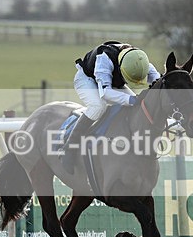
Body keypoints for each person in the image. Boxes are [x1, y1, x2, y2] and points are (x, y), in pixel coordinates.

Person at [62, 40, 161, 173]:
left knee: (134, 108)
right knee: (98, 107)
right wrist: (132, 99)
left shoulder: (139, 61)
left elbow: (158, 81)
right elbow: (106, 94)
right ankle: (69, 149)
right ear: (122, 68)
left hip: (113, 81)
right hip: (87, 79)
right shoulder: (104, 59)